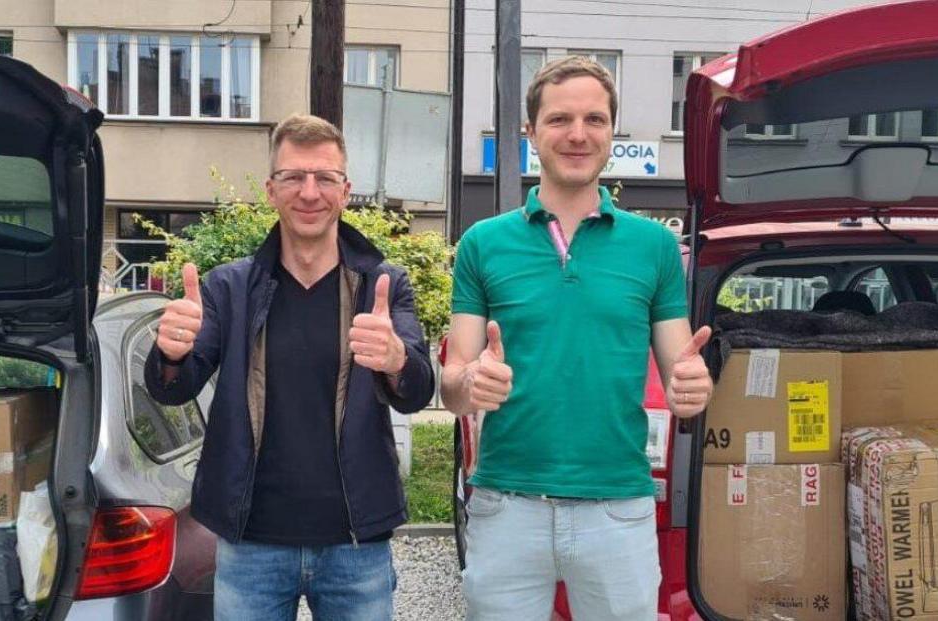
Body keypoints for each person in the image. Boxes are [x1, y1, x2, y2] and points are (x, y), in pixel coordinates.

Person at [441, 56, 714, 621]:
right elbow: (452, 386)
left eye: (594, 119)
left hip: (618, 506)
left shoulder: (654, 247)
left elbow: (679, 368)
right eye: (560, 119)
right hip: (506, 505)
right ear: (531, 133)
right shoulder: (482, 244)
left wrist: (693, 387)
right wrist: (471, 381)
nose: (577, 133)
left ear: (611, 131)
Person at [145, 114, 435, 621]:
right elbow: (176, 386)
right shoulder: (228, 289)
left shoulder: (382, 285)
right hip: (251, 542)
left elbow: (415, 389)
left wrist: (396, 361)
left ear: (345, 191)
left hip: (355, 544)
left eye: (324, 178)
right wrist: (170, 353)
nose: (309, 192)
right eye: (293, 177)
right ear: (270, 190)